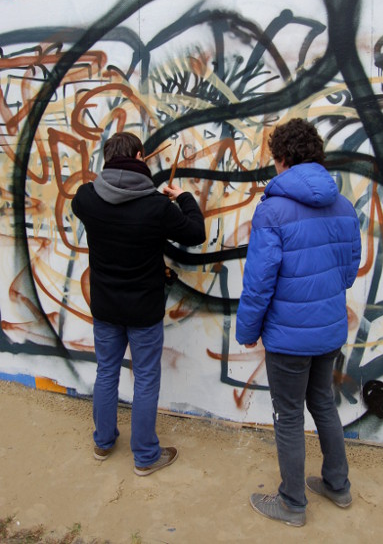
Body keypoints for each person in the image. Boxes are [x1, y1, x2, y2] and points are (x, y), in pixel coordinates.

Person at [235, 118, 361, 527]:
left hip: (288, 337)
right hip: (328, 329)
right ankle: (337, 485)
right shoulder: (344, 206)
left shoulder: (272, 211)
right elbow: (348, 271)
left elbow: (259, 282)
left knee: (288, 414)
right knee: (322, 402)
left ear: (283, 159)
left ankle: (292, 503)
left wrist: (247, 330)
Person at [72, 131, 206, 476]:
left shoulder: (86, 197)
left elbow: (90, 198)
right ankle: (145, 456)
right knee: (145, 378)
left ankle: (103, 441)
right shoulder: (157, 207)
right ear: (139, 157)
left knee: (106, 371)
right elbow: (195, 233)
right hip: (143, 310)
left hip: (105, 307)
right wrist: (183, 197)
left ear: (108, 159)